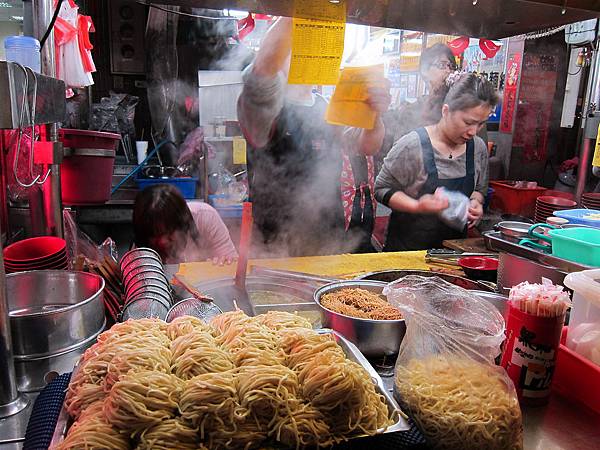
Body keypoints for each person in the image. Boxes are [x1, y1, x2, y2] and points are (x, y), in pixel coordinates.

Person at [238, 17, 391, 256]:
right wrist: (297, 14)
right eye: (299, 48)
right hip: (275, 239)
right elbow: (262, 72)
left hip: (327, 234)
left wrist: (376, 115)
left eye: (314, 49)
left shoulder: (326, 106)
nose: (310, 57)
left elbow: (366, 146)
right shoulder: (263, 108)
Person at [374, 73, 499, 251]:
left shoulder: (477, 148)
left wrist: (475, 204)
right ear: (446, 111)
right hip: (407, 252)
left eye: (480, 124)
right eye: (468, 122)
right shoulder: (412, 145)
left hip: (453, 253)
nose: (473, 131)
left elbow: (480, 189)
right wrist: (417, 206)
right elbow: (381, 189)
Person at [133, 184, 238, 264]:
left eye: (169, 233)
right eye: (155, 235)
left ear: (183, 223)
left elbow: (232, 261)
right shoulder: (142, 243)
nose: (163, 241)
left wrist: (225, 262)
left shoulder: (205, 217)